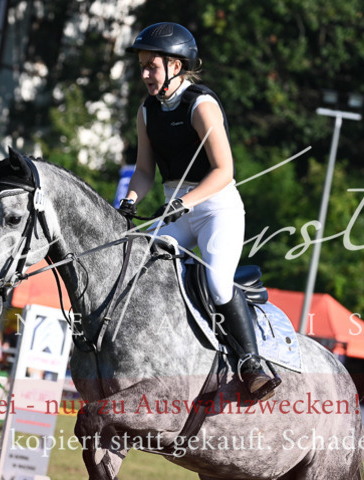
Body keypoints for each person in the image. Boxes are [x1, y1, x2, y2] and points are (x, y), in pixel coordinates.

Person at [119, 21, 281, 400]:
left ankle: (251, 365)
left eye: (151, 66)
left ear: (175, 66)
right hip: (175, 208)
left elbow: (225, 170)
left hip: (215, 208)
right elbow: (144, 171)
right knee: (137, 266)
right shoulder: (147, 111)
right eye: (141, 66)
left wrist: (185, 202)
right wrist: (129, 203)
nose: (144, 74)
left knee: (217, 283)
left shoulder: (201, 105)